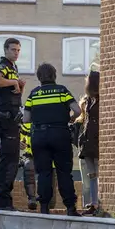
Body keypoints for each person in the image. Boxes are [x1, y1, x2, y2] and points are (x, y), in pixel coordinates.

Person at [22, 63, 82, 216]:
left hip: (39, 136)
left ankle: (44, 207)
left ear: (39, 77)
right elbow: (77, 110)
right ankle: (70, 207)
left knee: (44, 173)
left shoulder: (33, 94)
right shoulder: (62, 91)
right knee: (64, 171)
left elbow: (26, 119)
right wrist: (69, 119)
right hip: (60, 134)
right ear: (54, 75)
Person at [0, 38, 26, 211]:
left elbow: (13, 95)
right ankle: (3, 201)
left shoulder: (13, 67)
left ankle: (6, 200)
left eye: (18, 50)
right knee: (9, 161)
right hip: (6, 118)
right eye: (13, 50)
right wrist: (13, 82)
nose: (16, 53)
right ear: (6, 50)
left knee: (12, 160)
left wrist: (19, 86)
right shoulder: (3, 65)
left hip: (12, 118)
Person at [76, 70, 100, 215]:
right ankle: (94, 203)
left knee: (97, 172)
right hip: (88, 142)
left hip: (97, 140)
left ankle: (98, 202)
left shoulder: (101, 99)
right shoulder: (87, 100)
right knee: (91, 173)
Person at [18, 121, 38, 210]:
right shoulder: (27, 124)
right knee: (28, 167)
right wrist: (19, 142)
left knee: (49, 179)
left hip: (49, 157)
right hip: (31, 155)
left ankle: (47, 202)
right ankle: (32, 199)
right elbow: (20, 137)